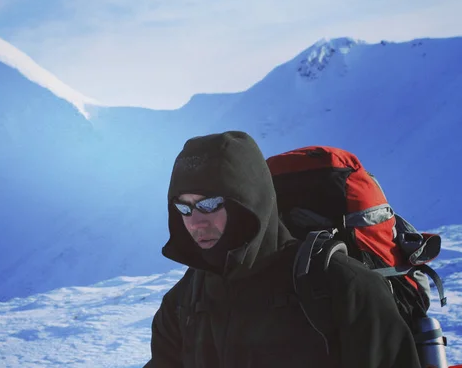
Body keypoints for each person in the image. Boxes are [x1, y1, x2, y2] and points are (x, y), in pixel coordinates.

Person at [144, 131, 420, 368]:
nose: (196, 221)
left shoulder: (342, 287)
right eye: (184, 207)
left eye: (210, 204)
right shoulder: (183, 301)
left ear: (247, 202)